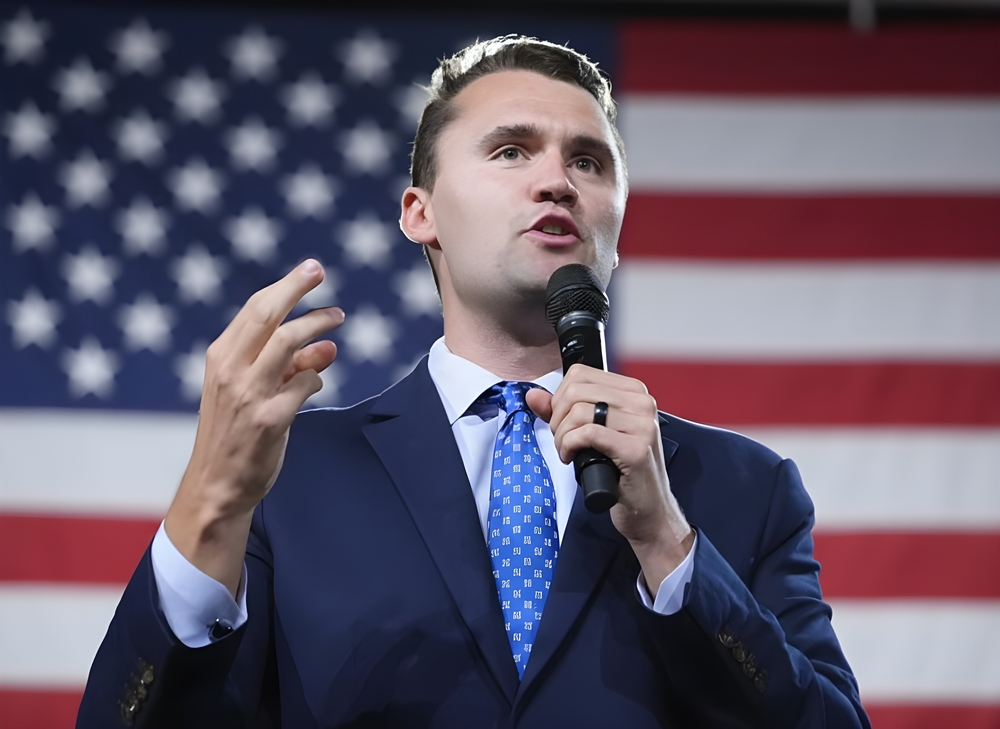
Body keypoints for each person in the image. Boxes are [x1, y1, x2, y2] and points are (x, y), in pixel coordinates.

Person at [78, 36, 869, 728]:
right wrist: (209, 503)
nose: (557, 181)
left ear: (616, 230)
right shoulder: (288, 474)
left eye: (587, 160)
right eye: (511, 150)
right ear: (420, 213)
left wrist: (668, 543)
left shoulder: (743, 488)